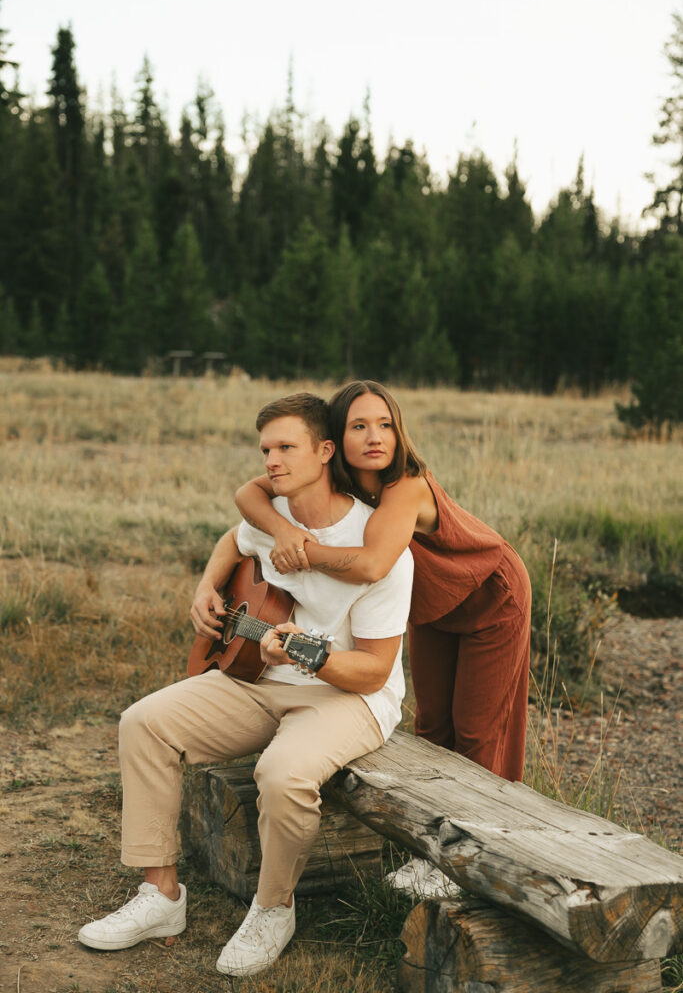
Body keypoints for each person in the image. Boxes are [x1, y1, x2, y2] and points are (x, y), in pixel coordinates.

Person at [77, 393, 413, 976]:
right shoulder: (271, 518)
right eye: (266, 449)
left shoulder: (380, 549)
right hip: (258, 679)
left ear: (324, 451)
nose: (272, 461)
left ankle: (272, 909)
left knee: (281, 773)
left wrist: (309, 656)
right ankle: (161, 897)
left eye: (286, 448)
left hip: (348, 696)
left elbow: (374, 671)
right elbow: (234, 543)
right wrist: (206, 589)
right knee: (143, 723)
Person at [235, 380, 531, 899]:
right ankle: (431, 846)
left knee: (478, 730)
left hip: (489, 596)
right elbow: (247, 493)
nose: (376, 437)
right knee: (434, 726)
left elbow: (373, 564)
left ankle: (471, 861)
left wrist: (302, 549)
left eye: (386, 424)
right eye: (358, 426)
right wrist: (283, 533)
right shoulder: (344, 486)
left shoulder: (404, 486)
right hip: (434, 604)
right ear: (332, 442)